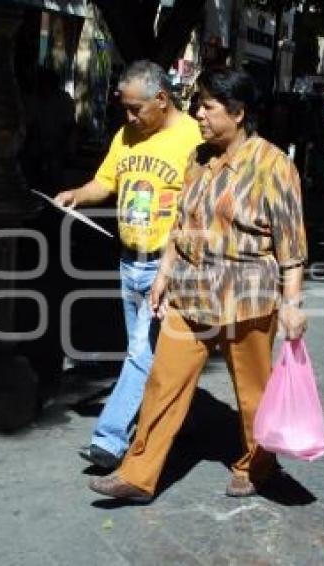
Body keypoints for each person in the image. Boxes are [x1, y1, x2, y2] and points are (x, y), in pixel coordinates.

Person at [88, 67, 308, 502]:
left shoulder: (273, 165)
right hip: (189, 292)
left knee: (254, 392)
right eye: (199, 106)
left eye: (208, 107)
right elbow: (180, 222)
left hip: (247, 296)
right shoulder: (197, 159)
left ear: (238, 112)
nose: (200, 115)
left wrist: (292, 303)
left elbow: (292, 245)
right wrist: (165, 273)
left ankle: (257, 463)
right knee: (163, 382)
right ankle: (138, 473)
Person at [54, 61, 203, 471]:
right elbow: (106, 182)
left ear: (161, 98)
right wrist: (77, 196)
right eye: (126, 109)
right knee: (151, 351)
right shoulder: (127, 135)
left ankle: (109, 438)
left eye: (136, 109)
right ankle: (182, 419)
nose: (130, 117)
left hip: (167, 266)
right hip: (128, 261)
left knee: (141, 352)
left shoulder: (194, 137)